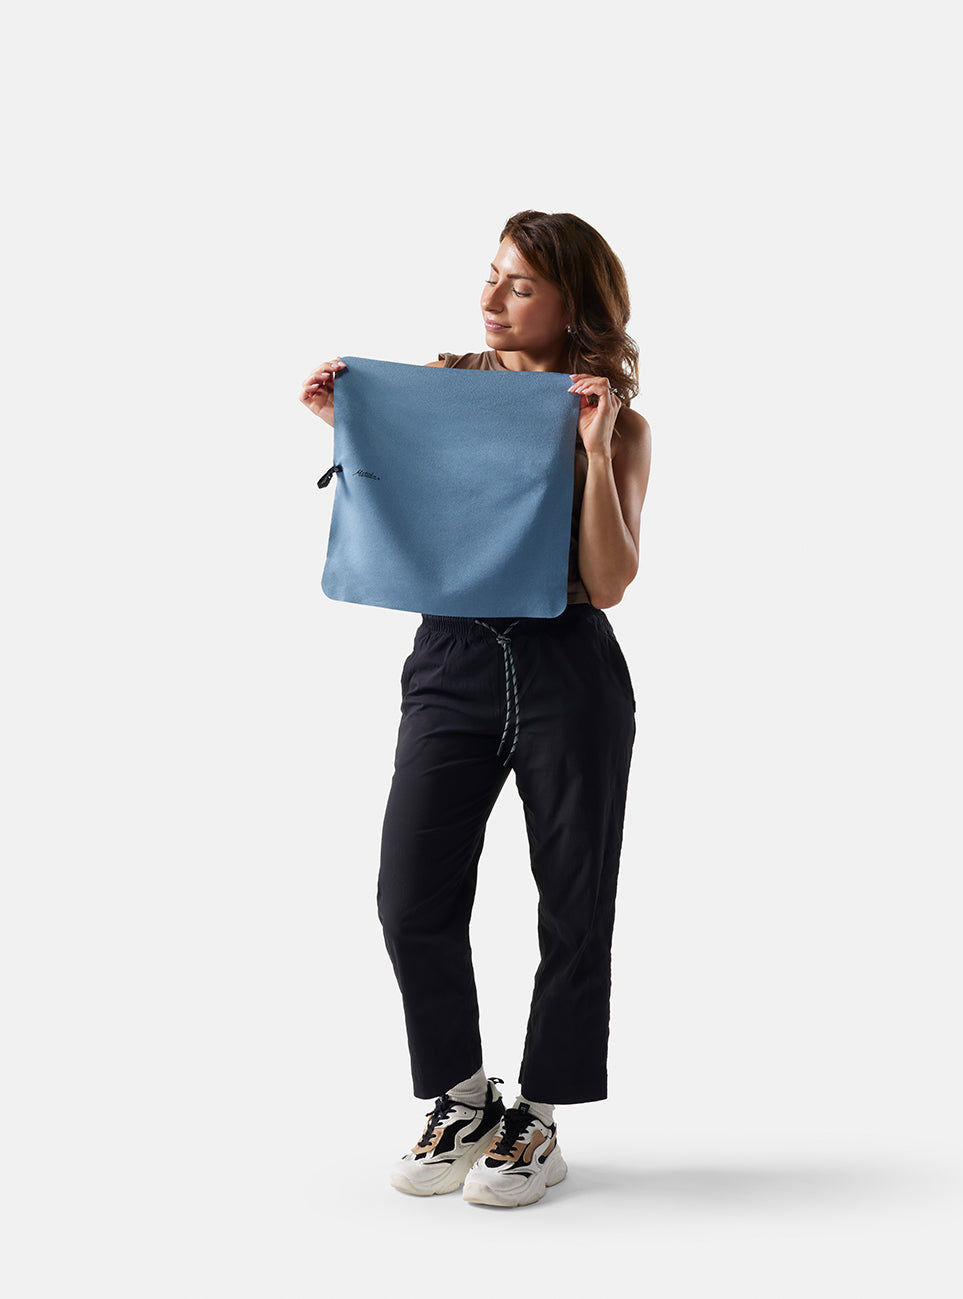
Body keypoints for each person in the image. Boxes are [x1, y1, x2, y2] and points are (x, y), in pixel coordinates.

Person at [299, 210, 651, 1208]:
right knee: (410, 895)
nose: (492, 299)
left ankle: (538, 1118)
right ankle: (461, 1097)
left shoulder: (618, 422)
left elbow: (609, 581)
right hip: (450, 658)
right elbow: (424, 512)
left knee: (573, 903)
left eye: (521, 285)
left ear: (574, 303)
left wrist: (592, 451)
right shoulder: (442, 387)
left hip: (568, 664)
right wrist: (347, 425)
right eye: (491, 276)